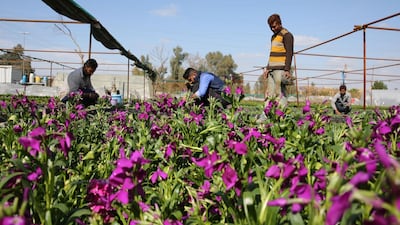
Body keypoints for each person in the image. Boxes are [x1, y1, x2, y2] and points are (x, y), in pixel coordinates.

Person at [263, 13, 294, 107]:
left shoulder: (287, 35)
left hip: (280, 69)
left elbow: (289, 53)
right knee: (269, 94)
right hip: (271, 69)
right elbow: (272, 54)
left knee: (279, 93)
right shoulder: (273, 37)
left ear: (280, 23)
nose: (272, 29)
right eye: (270, 27)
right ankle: (267, 114)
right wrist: (267, 68)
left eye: (274, 26)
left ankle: (282, 116)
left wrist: (287, 70)